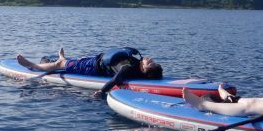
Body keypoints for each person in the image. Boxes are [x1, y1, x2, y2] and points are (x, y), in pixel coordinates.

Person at [17, 47, 163, 97]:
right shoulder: (135, 64)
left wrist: (101, 92)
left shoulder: (128, 68)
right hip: (95, 60)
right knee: (67, 63)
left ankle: (32, 65)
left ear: (144, 69)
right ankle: (60, 58)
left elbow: (114, 81)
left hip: (91, 67)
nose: (149, 59)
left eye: (149, 63)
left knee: (60, 64)